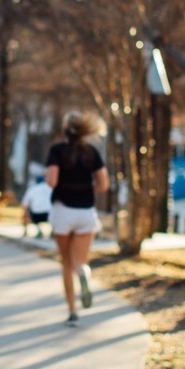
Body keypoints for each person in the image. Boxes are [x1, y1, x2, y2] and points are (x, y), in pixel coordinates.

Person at [45, 111, 109, 324]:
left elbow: (52, 181)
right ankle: (84, 272)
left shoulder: (56, 151)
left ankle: (72, 311)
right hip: (86, 212)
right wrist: (86, 187)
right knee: (79, 261)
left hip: (63, 211)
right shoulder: (91, 152)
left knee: (66, 264)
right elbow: (103, 184)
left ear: (65, 130)